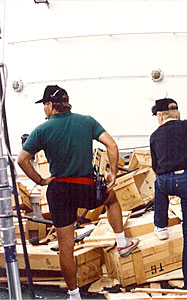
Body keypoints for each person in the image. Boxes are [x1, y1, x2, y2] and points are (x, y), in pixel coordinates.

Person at [17, 85, 139, 300]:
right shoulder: (87, 121)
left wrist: (41, 180)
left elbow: (22, 160)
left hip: (59, 190)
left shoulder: (41, 130)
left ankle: (74, 295)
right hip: (85, 187)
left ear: (49, 105)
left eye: (44, 105)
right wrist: (111, 171)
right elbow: (111, 145)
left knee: (66, 246)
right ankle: (122, 242)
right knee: (111, 199)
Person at [150, 98, 187, 289]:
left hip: (166, 181)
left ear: (161, 116)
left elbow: (155, 167)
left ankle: (161, 226)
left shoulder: (155, 135)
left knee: (158, 184)